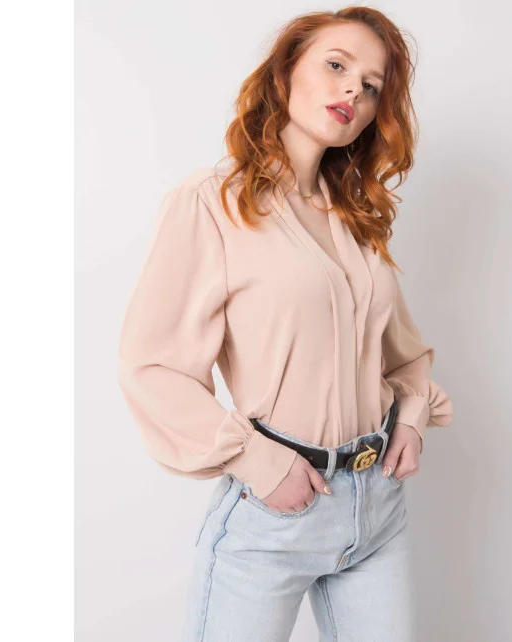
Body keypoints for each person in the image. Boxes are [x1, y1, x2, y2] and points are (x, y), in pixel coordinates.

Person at [116, 7, 454, 641]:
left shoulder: (356, 218)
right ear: (285, 73)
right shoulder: (212, 204)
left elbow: (404, 355)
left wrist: (411, 416)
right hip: (273, 514)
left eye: (371, 85)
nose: (353, 90)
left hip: (378, 510)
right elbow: (152, 365)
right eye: (336, 65)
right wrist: (258, 462)